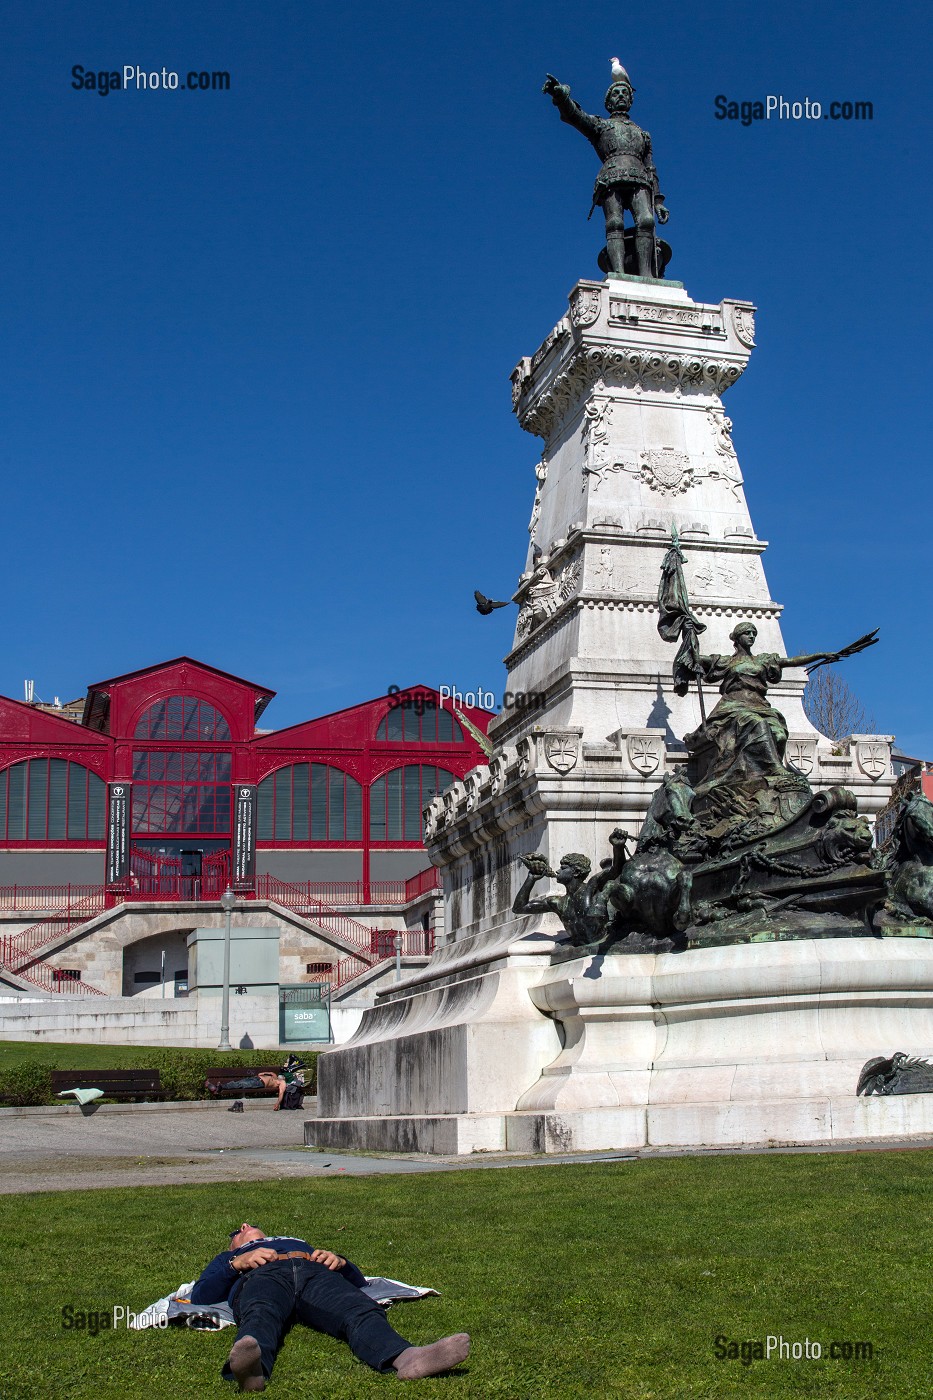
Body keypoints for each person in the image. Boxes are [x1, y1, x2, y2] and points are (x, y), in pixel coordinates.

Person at [190, 1221, 470, 1391]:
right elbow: (201, 1295)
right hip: (261, 1277)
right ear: (233, 1245)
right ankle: (253, 1372)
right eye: (237, 1232)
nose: (244, 1226)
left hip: (316, 1273)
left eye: (249, 1225)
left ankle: (407, 1358)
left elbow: (359, 1283)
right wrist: (234, 1264)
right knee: (261, 1312)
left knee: (357, 1307)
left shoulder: (296, 1242)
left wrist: (342, 1263)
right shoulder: (229, 1257)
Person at [543, 64, 669, 278]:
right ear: (609, 103)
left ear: (630, 100)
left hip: (639, 178)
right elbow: (576, 116)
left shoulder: (643, 134)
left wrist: (657, 200)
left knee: (646, 221)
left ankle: (647, 276)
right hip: (611, 177)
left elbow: (650, 167)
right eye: (616, 93)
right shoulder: (601, 127)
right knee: (615, 223)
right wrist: (561, 97)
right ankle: (618, 274)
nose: (621, 96)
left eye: (625, 93)